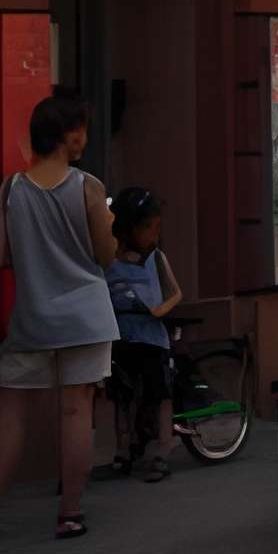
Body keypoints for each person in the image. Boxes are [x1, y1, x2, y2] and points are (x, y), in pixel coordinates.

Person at [0, 92, 118, 542]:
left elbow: (0, 256)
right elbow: (106, 254)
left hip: (33, 316)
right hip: (86, 318)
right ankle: (70, 514)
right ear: (69, 134)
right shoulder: (88, 187)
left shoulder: (11, 188)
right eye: (81, 128)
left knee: (11, 412)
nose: (84, 137)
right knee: (77, 410)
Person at [97, 187, 181, 483]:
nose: (154, 236)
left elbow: (175, 292)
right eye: (149, 229)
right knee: (121, 396)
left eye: (157, 229)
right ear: (127, 229)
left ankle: (162, 449)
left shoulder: (156, 259)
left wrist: (160, 310)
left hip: (151, 339)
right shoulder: (109, 261)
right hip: (121, 337)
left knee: (159, 394)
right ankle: (122, 450)